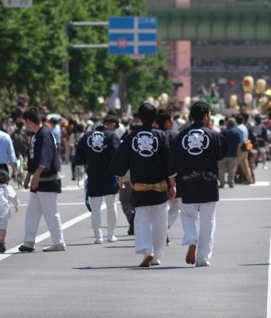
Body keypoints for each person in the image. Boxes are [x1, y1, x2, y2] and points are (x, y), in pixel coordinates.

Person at [110, 102, 175, 267]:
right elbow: (170, 162)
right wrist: (173, 183)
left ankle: (147, 250)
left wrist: (120, 176)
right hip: (160, 185)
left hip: (140, 185)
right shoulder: (163, 136)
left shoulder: (132, 137)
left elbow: (121, 159)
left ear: (138, 117)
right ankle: (157, 257)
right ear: (155, 118)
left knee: (142, 218)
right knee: (161, 220)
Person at [170, 100, 227, 267]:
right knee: (208, 220)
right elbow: (222, 153)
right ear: (206, 116)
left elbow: (172, 159)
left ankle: (191, 238)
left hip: (186, 181)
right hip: (209, 181)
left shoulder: (181, 135)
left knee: (188, 215)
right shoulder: (213, 134)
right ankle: (203, 257)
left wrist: (172, 183)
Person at [18, 107, 66, 253]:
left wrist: (37, 174)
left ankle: (59, 242)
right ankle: (29, 242)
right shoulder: (36, 135)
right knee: (32, 212)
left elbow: (46, 157)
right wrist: (29, 174)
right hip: (38, 179)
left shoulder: (45, 134)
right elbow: (33, 158)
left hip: (47, 179)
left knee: (50, 212)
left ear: (28, 121)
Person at [74, 113, 121, 244]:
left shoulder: (87, 136)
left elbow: (79, 157)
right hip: (110, 175)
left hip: (93, 175)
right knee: (111, 205)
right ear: (112, 124)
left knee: (95, 208)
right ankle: (111, 235)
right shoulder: (111, 136)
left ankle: (98, 236)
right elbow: (118, 156)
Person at [218, 119, 241, 188]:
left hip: (223, 153)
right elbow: (240, 143)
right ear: (234, 124)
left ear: (227, 124)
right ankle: (231, 182)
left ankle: (222, 182)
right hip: (233, 153)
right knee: (232, 169)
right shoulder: (236, 132)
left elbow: (219, 141)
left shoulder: (223, 131)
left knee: (221, 168)